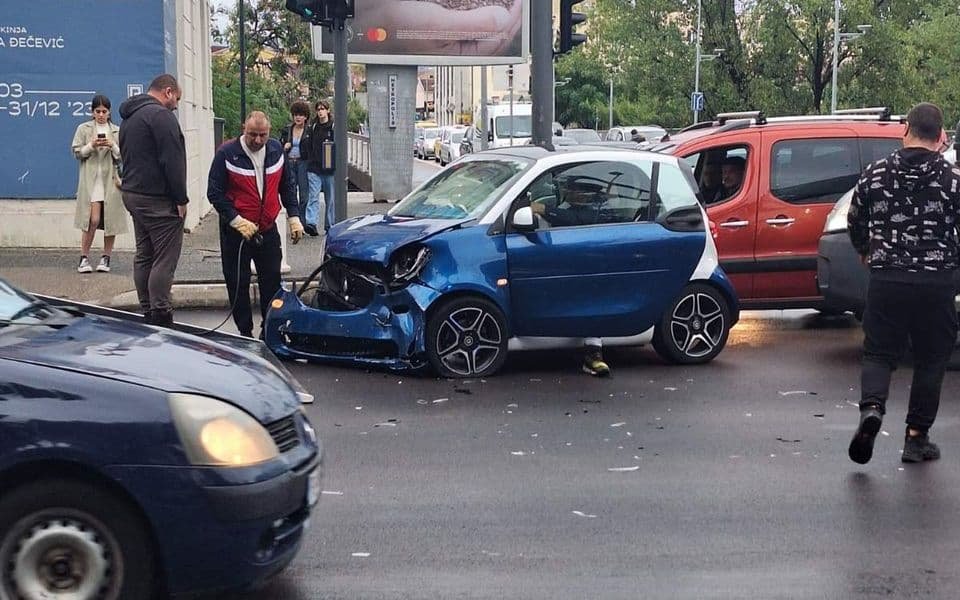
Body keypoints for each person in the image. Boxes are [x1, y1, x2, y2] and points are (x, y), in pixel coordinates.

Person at [847, 102, 960, 465]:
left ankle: (872, 410)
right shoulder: (953, 179)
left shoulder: (875, 173)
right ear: (941, 136)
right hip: (937, 281)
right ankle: (916, 438)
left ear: (906, 130)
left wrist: (865, 248)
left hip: (887, 279)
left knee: (879, 352)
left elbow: (855, 217)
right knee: (931, 359)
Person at [207, 111, 304, 339]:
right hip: (237, 233)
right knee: (237, 282)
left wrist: (294, 216)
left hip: (267, 229)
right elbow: (215, 192)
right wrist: (235, 220)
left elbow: (287, 186)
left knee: (271, 282)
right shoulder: (226, 154)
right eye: (253, 135)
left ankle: (268, 330)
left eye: (262, 135)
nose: (258, 140)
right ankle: (244, 331)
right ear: (243, 129)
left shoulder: (276, 151)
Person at [118, 74, 188, 327]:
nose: (176, 105)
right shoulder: (161, 117)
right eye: (176, 98)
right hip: (158, 199)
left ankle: (146, 310)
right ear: (167, 91)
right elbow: (173, 160)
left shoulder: (129, 118)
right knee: (164, 258)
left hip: (133, 194)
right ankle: (161, 314)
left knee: (144, 254)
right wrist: (181, 198)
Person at [531, 177, 610, 377]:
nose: (576, 194)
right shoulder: (561, 204)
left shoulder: (598, 210)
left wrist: (545, 210)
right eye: (571, 189)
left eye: (582, 191)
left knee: (592, 297)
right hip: (554, 264)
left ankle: (593, 353)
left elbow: (575, 220)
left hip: (584, 265)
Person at [71, 93, 127, 273]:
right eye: (98, 111)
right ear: (92, 112)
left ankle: (106, 257)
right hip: (91, 181)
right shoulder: (84, 129)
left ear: (109, 113)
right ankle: (84, 257)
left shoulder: (117, 131)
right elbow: (77, 152)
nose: (101, 114)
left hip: (111, 180)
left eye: (104, 111)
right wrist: (91, 145)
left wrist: (112, 145)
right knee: (92, 219)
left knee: (111, 220)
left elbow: (122, 157)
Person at [303, 99, 336, 235]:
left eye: (323, 108)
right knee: (313, 196)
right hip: (314, 167)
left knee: (330, 198)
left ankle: (330, 224)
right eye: (318, 109)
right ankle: (311, 223)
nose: (321, 111)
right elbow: (308, 145)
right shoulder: (313, 127)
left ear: (328, 110)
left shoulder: (333, 127)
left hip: (329, 168)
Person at [280, 100, 311, 221]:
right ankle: (295, 219)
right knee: (291, 192)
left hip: (303, 163)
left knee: (304, 195)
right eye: (295, 114)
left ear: (306, 116)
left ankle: (302, 220)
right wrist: (285, 147)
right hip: (289, 162)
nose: (298, 117)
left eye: (301, 115)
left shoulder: (309, 130)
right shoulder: (287, 129)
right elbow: (279, 145)